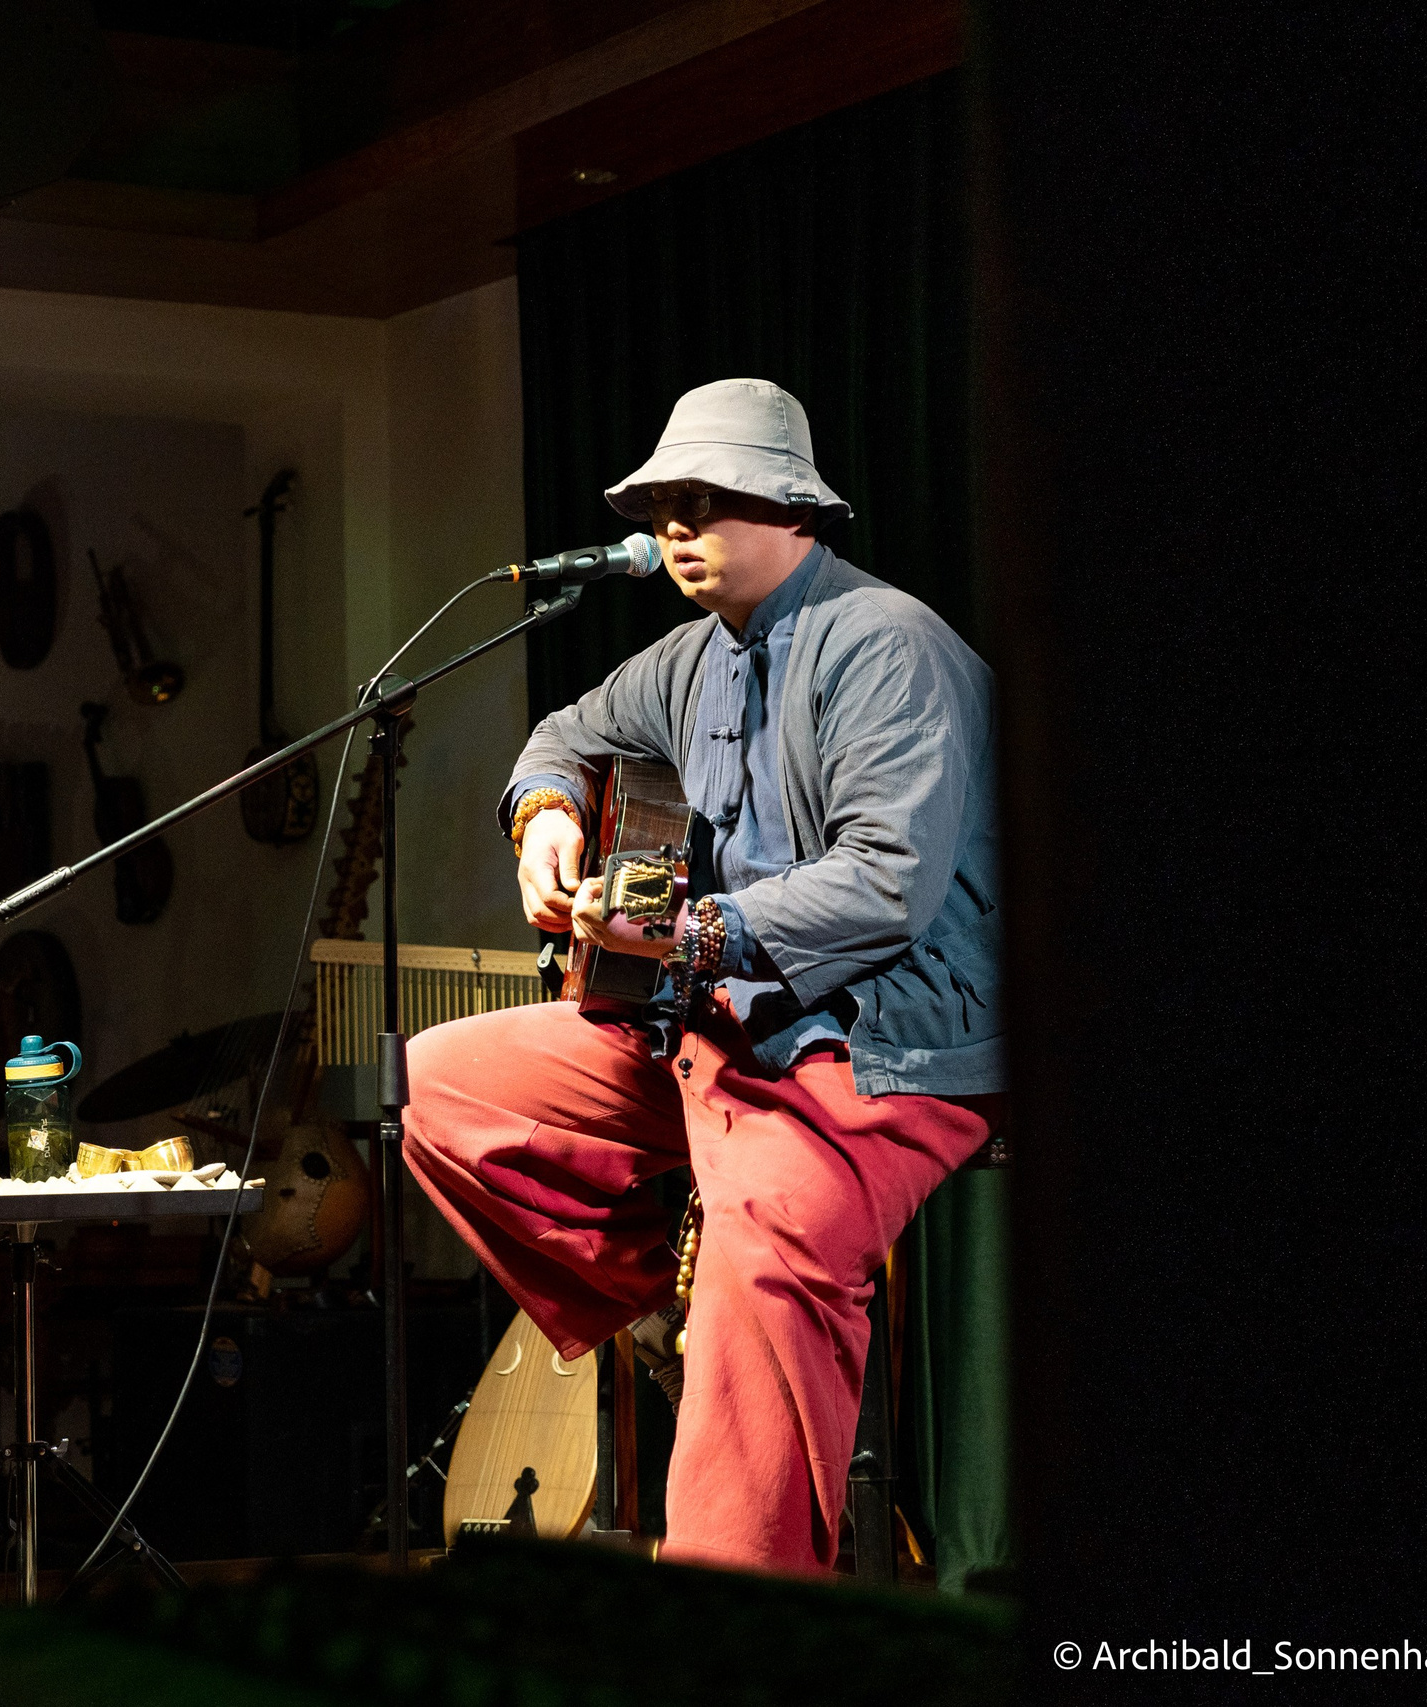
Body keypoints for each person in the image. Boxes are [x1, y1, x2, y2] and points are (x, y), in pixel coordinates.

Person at [401, 378, 1004, 1575]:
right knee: (437, 1084)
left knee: (771, 1240)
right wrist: (542, 820)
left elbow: (886, 885)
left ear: (795, 510)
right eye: (666, 504)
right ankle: (670, 1310)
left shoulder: (889, 644)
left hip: (882, 1043)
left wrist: (684, 937)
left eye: (709, 501)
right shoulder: (686, 658)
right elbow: (563, 738)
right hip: (716, 1031)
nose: (678, 527)